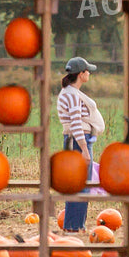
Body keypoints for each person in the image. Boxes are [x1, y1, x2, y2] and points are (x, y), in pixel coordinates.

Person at [55, 56, 104, 232]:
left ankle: (75, 225)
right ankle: (74, 226)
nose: (89, 73)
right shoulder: (72, 95)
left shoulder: (69, 92)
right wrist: (84, 149)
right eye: (87, 71)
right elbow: (75, 123)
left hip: (77, 140)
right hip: (78, 141)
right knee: (81, 184)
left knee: (79, 184)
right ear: (81, 74)